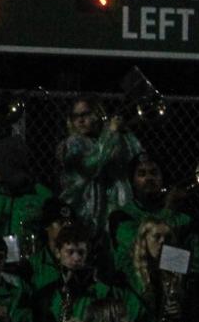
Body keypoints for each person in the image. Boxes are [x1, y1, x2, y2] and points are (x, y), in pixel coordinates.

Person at [56, 95, 142, 228]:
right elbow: (90, 166)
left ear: (97, 114)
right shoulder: (73, 143)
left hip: (114, 211)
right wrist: (111, 133)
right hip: (84, 215)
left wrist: (124, 133)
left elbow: (136, 157)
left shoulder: (109, 136)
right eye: (75, 116)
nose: (80, 120)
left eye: (85, 114)